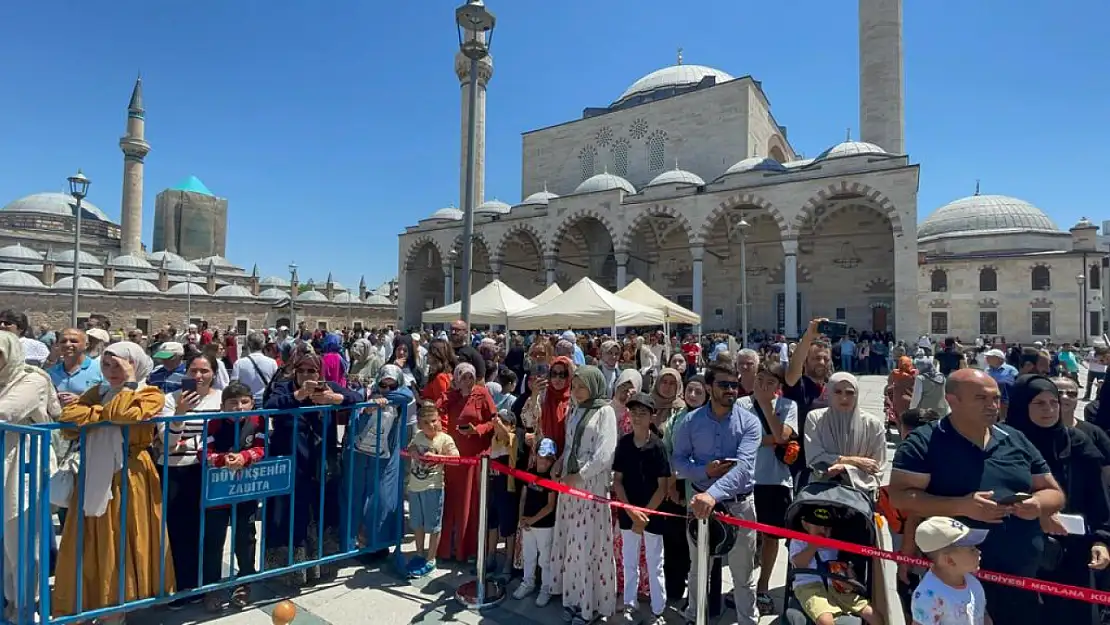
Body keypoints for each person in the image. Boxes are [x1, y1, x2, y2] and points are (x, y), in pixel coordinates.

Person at [888, 368, 1066, 625]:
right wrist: (962, 506)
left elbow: (1054, 493)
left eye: (995, 398)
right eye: (981, 398)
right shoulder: (924, 442)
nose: (992, 405)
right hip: (957, 582)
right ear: (952, 400)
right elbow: (901, 497)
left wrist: (1037, 505)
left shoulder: (1014, 438)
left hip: (1019, 576)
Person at [53, 342, 174, 621]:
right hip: (95, 470)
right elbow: (68, 419)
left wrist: (127, 386)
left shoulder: (151, 394)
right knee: (92, 537)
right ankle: (89, 598)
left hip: (130, 475)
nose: (111, 371)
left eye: (119, 365)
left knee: (122, 536)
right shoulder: (99, 392)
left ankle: (117, 604)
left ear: (134, 364)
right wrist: (103, 413)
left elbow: (124, 415)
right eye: (106, 365)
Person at [1004, 374, 1110, 623]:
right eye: (1039, 403)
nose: (1050, 410)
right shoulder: (1005, 444)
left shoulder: (1077, 443)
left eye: (1053, 403)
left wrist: (1102, 541)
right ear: (1022, 405)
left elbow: (1098, 497)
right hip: (1020, 552)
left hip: (1074, 551)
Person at [672, 361, 761, 625]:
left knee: (743, 575)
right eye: (724, 385)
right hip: (700, 507)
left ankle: (748, 620)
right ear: (709, 387)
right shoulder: (690, 422)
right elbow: (678, 462)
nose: (731, 390)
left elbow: (745, 468)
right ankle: (694, 617)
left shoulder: (750, 423)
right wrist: (704, 473)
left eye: (734, 385)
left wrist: (714, 493)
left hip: (739, 507)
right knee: (698, 571)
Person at [263, 350, 362, 586]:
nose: (307, 375)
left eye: (312, 371)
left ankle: (319, 567)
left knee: (319, 511)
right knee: (288, 513)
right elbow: (269, 404)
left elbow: (356, 397)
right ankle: (288, 570)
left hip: (320, 464)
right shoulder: (285, 387)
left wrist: (334, 399)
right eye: (302, 370)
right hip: (291, 463)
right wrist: (298, 395)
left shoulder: (327, 387)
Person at [549, 365, 618, 625]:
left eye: (581, 386)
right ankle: (573, 599)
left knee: (588, 545)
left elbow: (605, 454)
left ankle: (590, 605)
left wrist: (579, 476)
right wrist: (559, 464)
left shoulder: (605, 412)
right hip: (570, 487)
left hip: (590, 487)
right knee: (572, 545)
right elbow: (570, 445)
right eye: (574, 386)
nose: (576, 391)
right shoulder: (576, 410)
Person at [157, 352, 225, 607]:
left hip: (206, 469)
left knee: (206, 529)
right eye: (193, 371)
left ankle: (206, 584)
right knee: (177, 529)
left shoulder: (221, 398)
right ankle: (181, 585)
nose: (198, 376)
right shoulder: (170, 400)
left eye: (204, 371)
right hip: (175, 468)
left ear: (214, 374)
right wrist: (180, 412)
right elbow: (167, 442)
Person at [0, 333, 60, 618]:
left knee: (22, 541)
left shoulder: (31, 380)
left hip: (21, 465)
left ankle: (25, 604)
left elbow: (6, 412)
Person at [199, 381, 266, 611]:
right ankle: (211, 587)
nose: (239, 407)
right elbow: (204, 453)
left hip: (246, 491)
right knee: (214, 539)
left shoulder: (259, 420)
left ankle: (244, 582)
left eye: (244, 402)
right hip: (218, 494)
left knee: (246, 535)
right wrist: (223, 459)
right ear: (223, 405)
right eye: (233, 403)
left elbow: (262, 447)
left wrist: (246, 456)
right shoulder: (214, 423)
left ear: (252, 403)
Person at [739, 361, 799, 614]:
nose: (764, 385)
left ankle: (763, 586)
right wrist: (769, 440)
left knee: (772, 537)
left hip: (775, 481)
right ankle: (743, 587)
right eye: (760, 379)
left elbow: (783, 436)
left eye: (771, 382)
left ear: (779, 386)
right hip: (746, 479)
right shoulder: (741, 404)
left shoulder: (788, 406)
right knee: (745, 539)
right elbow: (740, 438)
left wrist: (765, 404)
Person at [613, 392, 671, 625]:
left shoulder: (658, 447)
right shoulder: (624, 444)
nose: (637, 417)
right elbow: (618, 480)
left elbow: (663, 486)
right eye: (634, 412)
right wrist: (630, 511)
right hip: (628, 513)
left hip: (652, 514)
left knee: (655, 562)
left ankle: (658, 610)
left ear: (651, 417)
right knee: (629, 561)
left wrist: (644, 514)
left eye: (643, 413)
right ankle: (629, 602)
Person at [436, 362, 497, 562]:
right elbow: (436, 414)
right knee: (453, 502)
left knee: (473, 504)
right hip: (455, 458)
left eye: (470, 377)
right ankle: (448, 549)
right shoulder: (451, 396)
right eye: (463, 377)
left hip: (476, 457)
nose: (467, 381)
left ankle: (470, 550)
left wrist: (477, 430)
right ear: (457, 378)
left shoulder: (482, 393)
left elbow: (493, 421)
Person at [789, 506, 882, 625]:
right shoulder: (799, 540)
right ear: (805, 524)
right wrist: (813, 546)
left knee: (873, 614)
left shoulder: (835, 543)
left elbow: (844, 566)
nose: (823, 530)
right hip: (809, 587)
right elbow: (798, 564)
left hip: (836, 585)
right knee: (825, 620)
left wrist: (849, 578)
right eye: (818, 526)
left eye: (827, 527)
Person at [804, 372, 886, 494]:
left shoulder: (873, 424)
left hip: (860, 495)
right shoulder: (815, 418)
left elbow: (877, 468)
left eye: (850, 393)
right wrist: (855, 462)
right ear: (829, 393)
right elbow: (814, 458)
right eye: (837, 392)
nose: (844, 398)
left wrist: (844, 468)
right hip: (822, 492)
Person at [405, 401, 459, 578]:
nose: (432, 425)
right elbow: (412, 445)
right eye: (427, 422)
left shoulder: (445, 439)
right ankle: (419, 553)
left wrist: (437, 457)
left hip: (433, 487)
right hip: (415, 486)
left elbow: (456, 458)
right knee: (417, 523)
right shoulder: (419, 436)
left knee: (433, 524)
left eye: (434, 420)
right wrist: (412, 449)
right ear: (420, 424)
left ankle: (430, 558)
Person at [910, 516, 990, 625]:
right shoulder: (928, 596)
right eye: (972, 549)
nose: (978, 552)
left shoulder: (972, 582)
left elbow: (983, 616)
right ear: (949, 560)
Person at [513, 438, 559, 606]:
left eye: (548, 459)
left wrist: (533, 519)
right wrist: (521, 518)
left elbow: (550, 506)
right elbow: (523, 497)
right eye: (541, 456)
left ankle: (546, 588)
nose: (543, 461)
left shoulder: (551, 478)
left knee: (545, 559)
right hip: (527, 524)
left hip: (544, 525)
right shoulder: (529, 472)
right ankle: (528, 582)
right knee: (529, 555)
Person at [231, 331, 278, 403]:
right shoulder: (272, 362)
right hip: (265, 399)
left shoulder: (239, 363)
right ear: (263, 344)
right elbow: (276, 382)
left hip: (246, 401)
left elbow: (233, 384)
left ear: (248, 344)